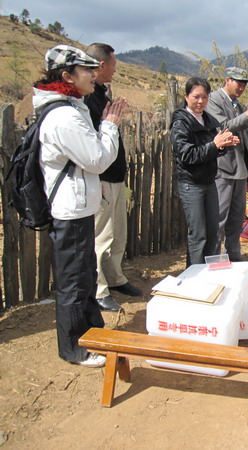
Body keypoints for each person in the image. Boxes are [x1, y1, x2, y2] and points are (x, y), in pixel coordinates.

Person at [36, 45, 125, 367]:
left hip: (80, 207)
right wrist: (110, 125)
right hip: (70, 211)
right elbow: (97, 159)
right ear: (67, 76)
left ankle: (91, 334)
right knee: (74, 282)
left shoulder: (72, 108)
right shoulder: (63, 116)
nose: (93, 74)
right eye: (86, 70)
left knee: (85, 275)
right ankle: (75, 347)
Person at [83, 43, 141, 312]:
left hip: (116, 177)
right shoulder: (87, 99)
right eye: (114, 64)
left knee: (118, 234)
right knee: (101, 237)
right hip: (102, 177)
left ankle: (115, 278)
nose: (116, 69)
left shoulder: (102, 94)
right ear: (101, 65)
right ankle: (98, 289)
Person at [170, 77, 239, 266]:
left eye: (205, 97)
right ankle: (194, 273)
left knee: (212, 231)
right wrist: (215, 145)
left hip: (209, 182)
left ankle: (209, 270)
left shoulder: (208, 120)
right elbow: (187, 155)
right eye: (196, 97)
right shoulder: (181, 122)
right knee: (198, 234)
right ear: (186, 96)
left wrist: (224, 144)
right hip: (191, 184)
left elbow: (213, 150)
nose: (200, 101)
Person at [206, 67, 248, 262]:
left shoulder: (237, 105)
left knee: (236, 216)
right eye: (238, 83)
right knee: (219, 217)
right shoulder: (213, 100)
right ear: (227, 80)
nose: (241, 87)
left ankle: (233, 254)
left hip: (240, 167)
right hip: (222, 166)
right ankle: (215, 258)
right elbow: (222, 127)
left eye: (244, 84)